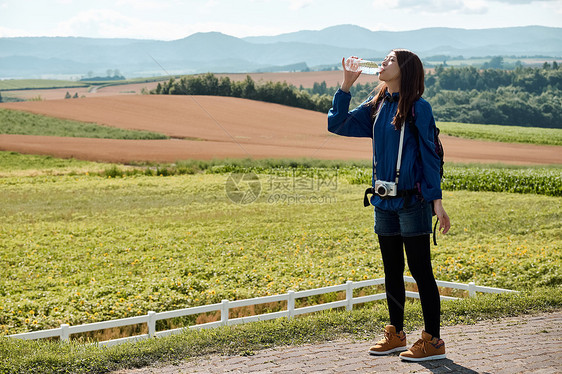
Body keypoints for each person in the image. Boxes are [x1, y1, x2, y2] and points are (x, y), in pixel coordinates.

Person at [327, 49, 451, 362]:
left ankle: (433, 341)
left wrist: (437, 201)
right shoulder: (377, 105)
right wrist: (346, 85)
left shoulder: (419, 108)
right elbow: (337, 123)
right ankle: (396, 334)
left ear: (405, 70)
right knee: (392, 269)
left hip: (413, 201)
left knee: (421, 270)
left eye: (389, 60)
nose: (382, 64)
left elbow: (430, 155)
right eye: (383, 60)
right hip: (383, 202)